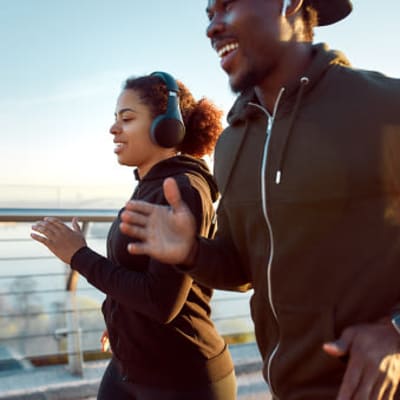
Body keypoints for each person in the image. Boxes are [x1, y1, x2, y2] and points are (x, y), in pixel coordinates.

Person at [117, 1, 400, 399]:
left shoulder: (385, 107)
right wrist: (190, 252)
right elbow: (243, 268)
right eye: (208, 14)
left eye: (227, 6)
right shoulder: (233, 140)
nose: (213, 27)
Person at [30, 72, 237, 400]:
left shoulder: (181, 189)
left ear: (167, 126)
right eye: (115, 119)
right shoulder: (150, 184)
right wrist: (121, 321)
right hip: (130, 366)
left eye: (127, 118)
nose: (114, 128)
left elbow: (162, 302)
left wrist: (78, 255)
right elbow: (141, 271)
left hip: (182, 380)